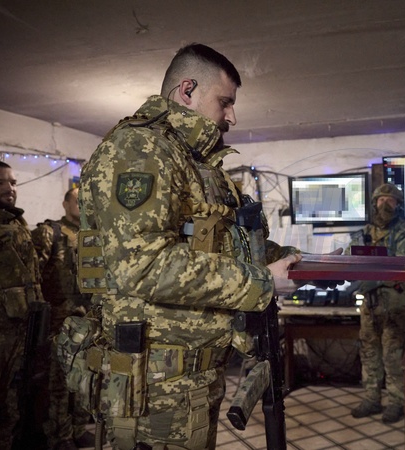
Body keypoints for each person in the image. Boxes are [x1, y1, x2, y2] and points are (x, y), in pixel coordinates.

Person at [75, 43, 303, 449]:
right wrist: (261, 282)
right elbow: (142, 265)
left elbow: (222, 244)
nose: (232, 116)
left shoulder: (192, 160)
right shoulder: (141, 149)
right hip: (156, 384)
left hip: (191, 374)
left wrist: (286, 259)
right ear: (187, 91)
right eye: (225, 102)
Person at [31, 187, 95, 450]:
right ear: (65, 204)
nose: (83, 205)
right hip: (58, 322)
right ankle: (60, 436)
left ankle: (78, 430)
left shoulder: (93, 236)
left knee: (83, 380)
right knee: (57, 383)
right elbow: (32, 274)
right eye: (78, 200)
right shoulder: (50, 232)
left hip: (87, 320)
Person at [349, 183, 405, 424]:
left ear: (398, 205)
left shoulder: (403, 233)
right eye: (381, 200)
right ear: (374, 203)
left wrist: (376, 273)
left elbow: (402, 266)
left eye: (391, 200)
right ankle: (371, 398)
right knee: (369, 351)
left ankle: (396, 401)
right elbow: (353, 261)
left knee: (392, 355)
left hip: (394, 303)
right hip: (369, 303)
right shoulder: (364, 233)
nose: (385, 204)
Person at [0, 161, 47, 448]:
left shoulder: (16, 222)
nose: (10, 188)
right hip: (3, 332)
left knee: (15, 399)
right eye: (1, 183)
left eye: (13, 182)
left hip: (22, 329)